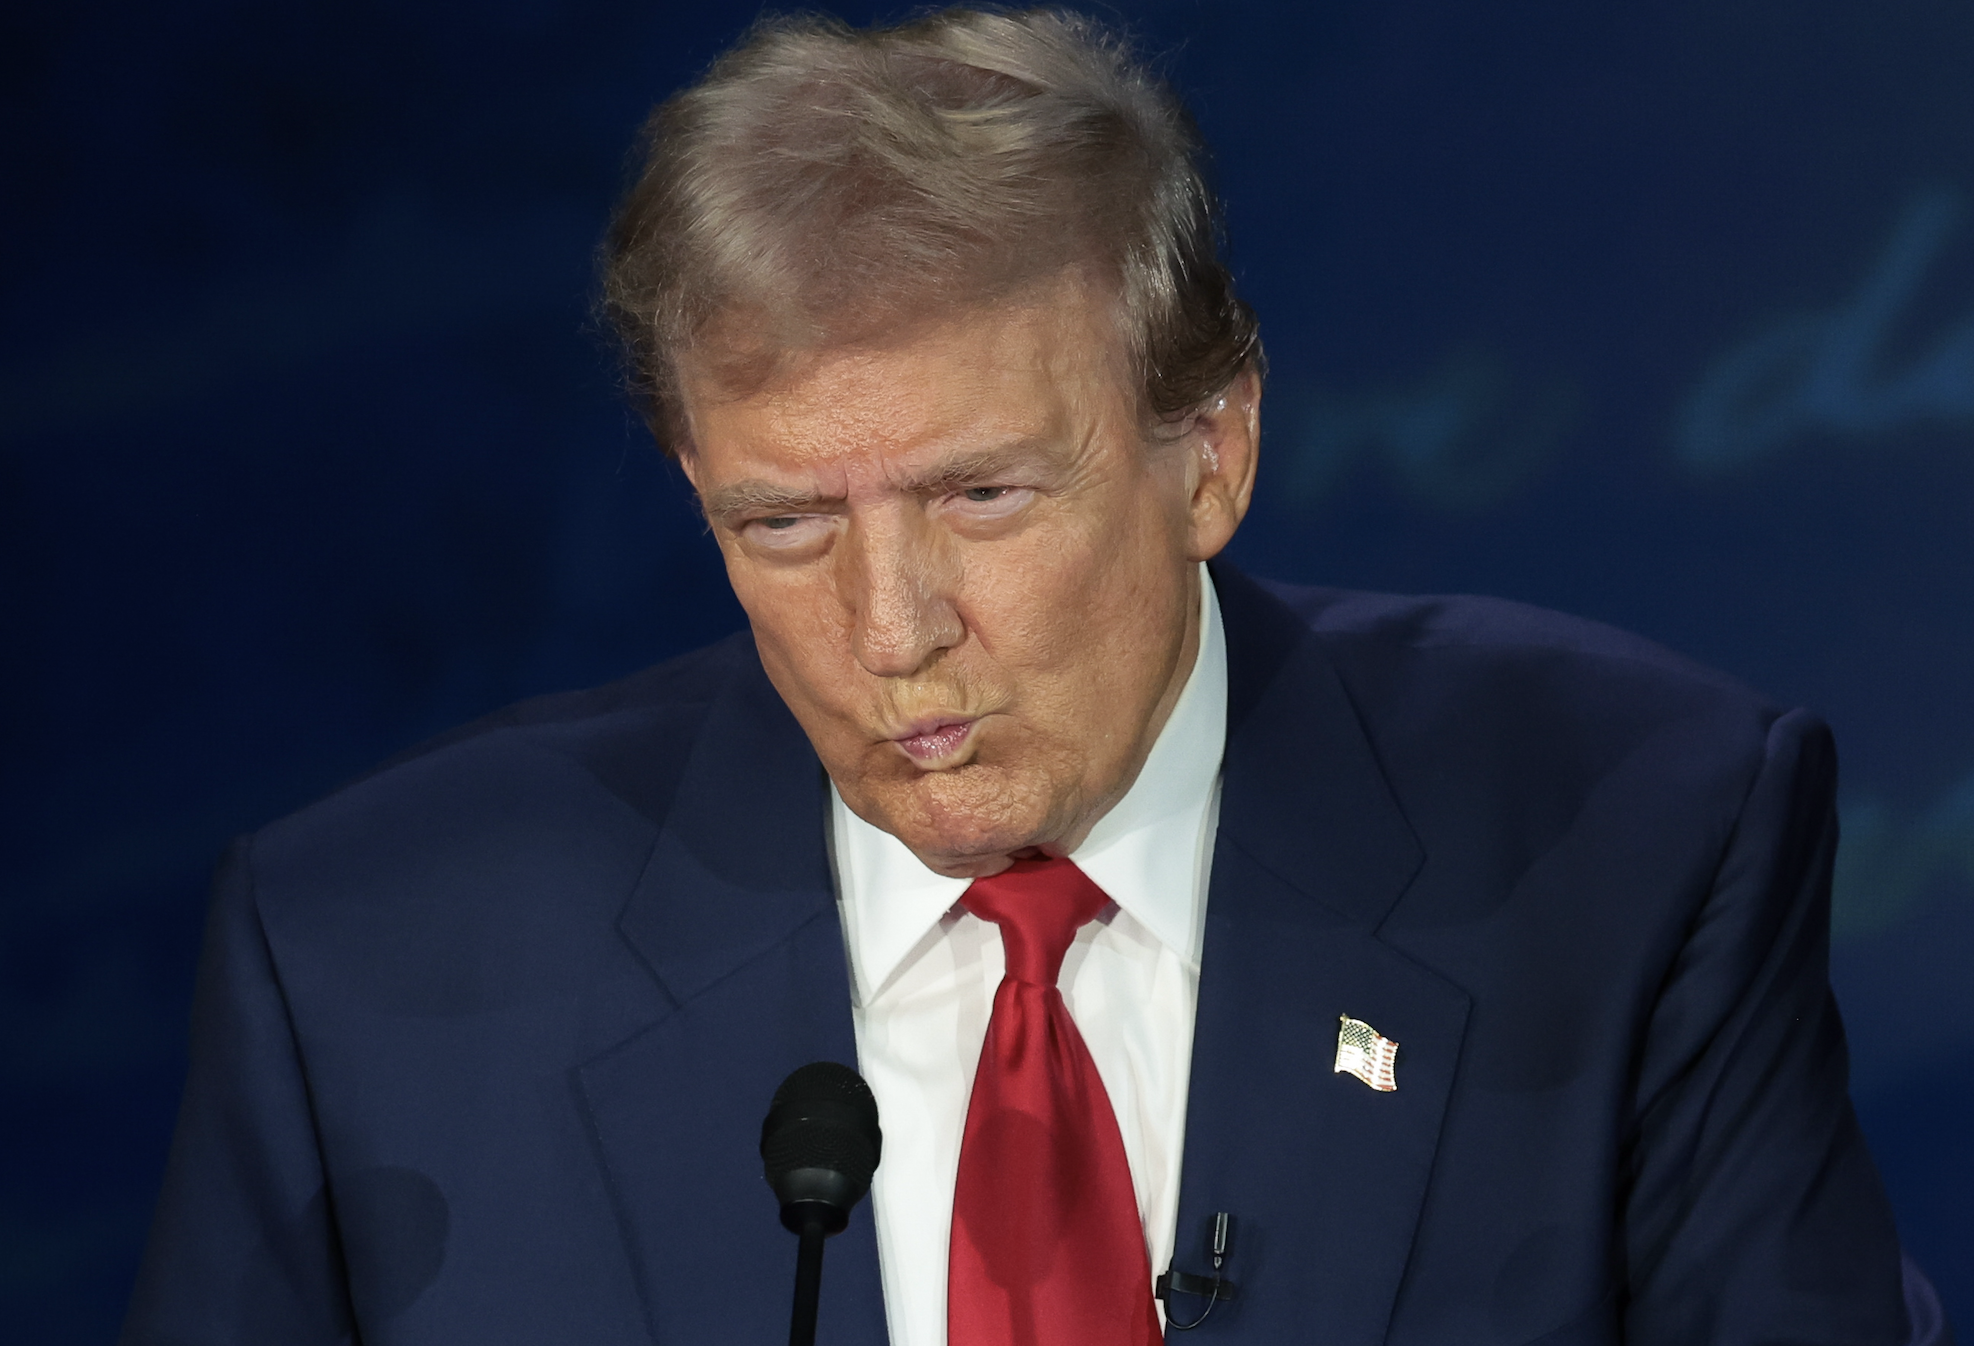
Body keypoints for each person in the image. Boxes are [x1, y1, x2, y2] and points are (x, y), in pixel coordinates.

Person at [123, 9, 1929, 1345]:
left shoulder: (1629, 842)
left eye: (979, 496)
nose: (890, 625)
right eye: (779, 525)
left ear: (1207, 450)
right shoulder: (367, 968)